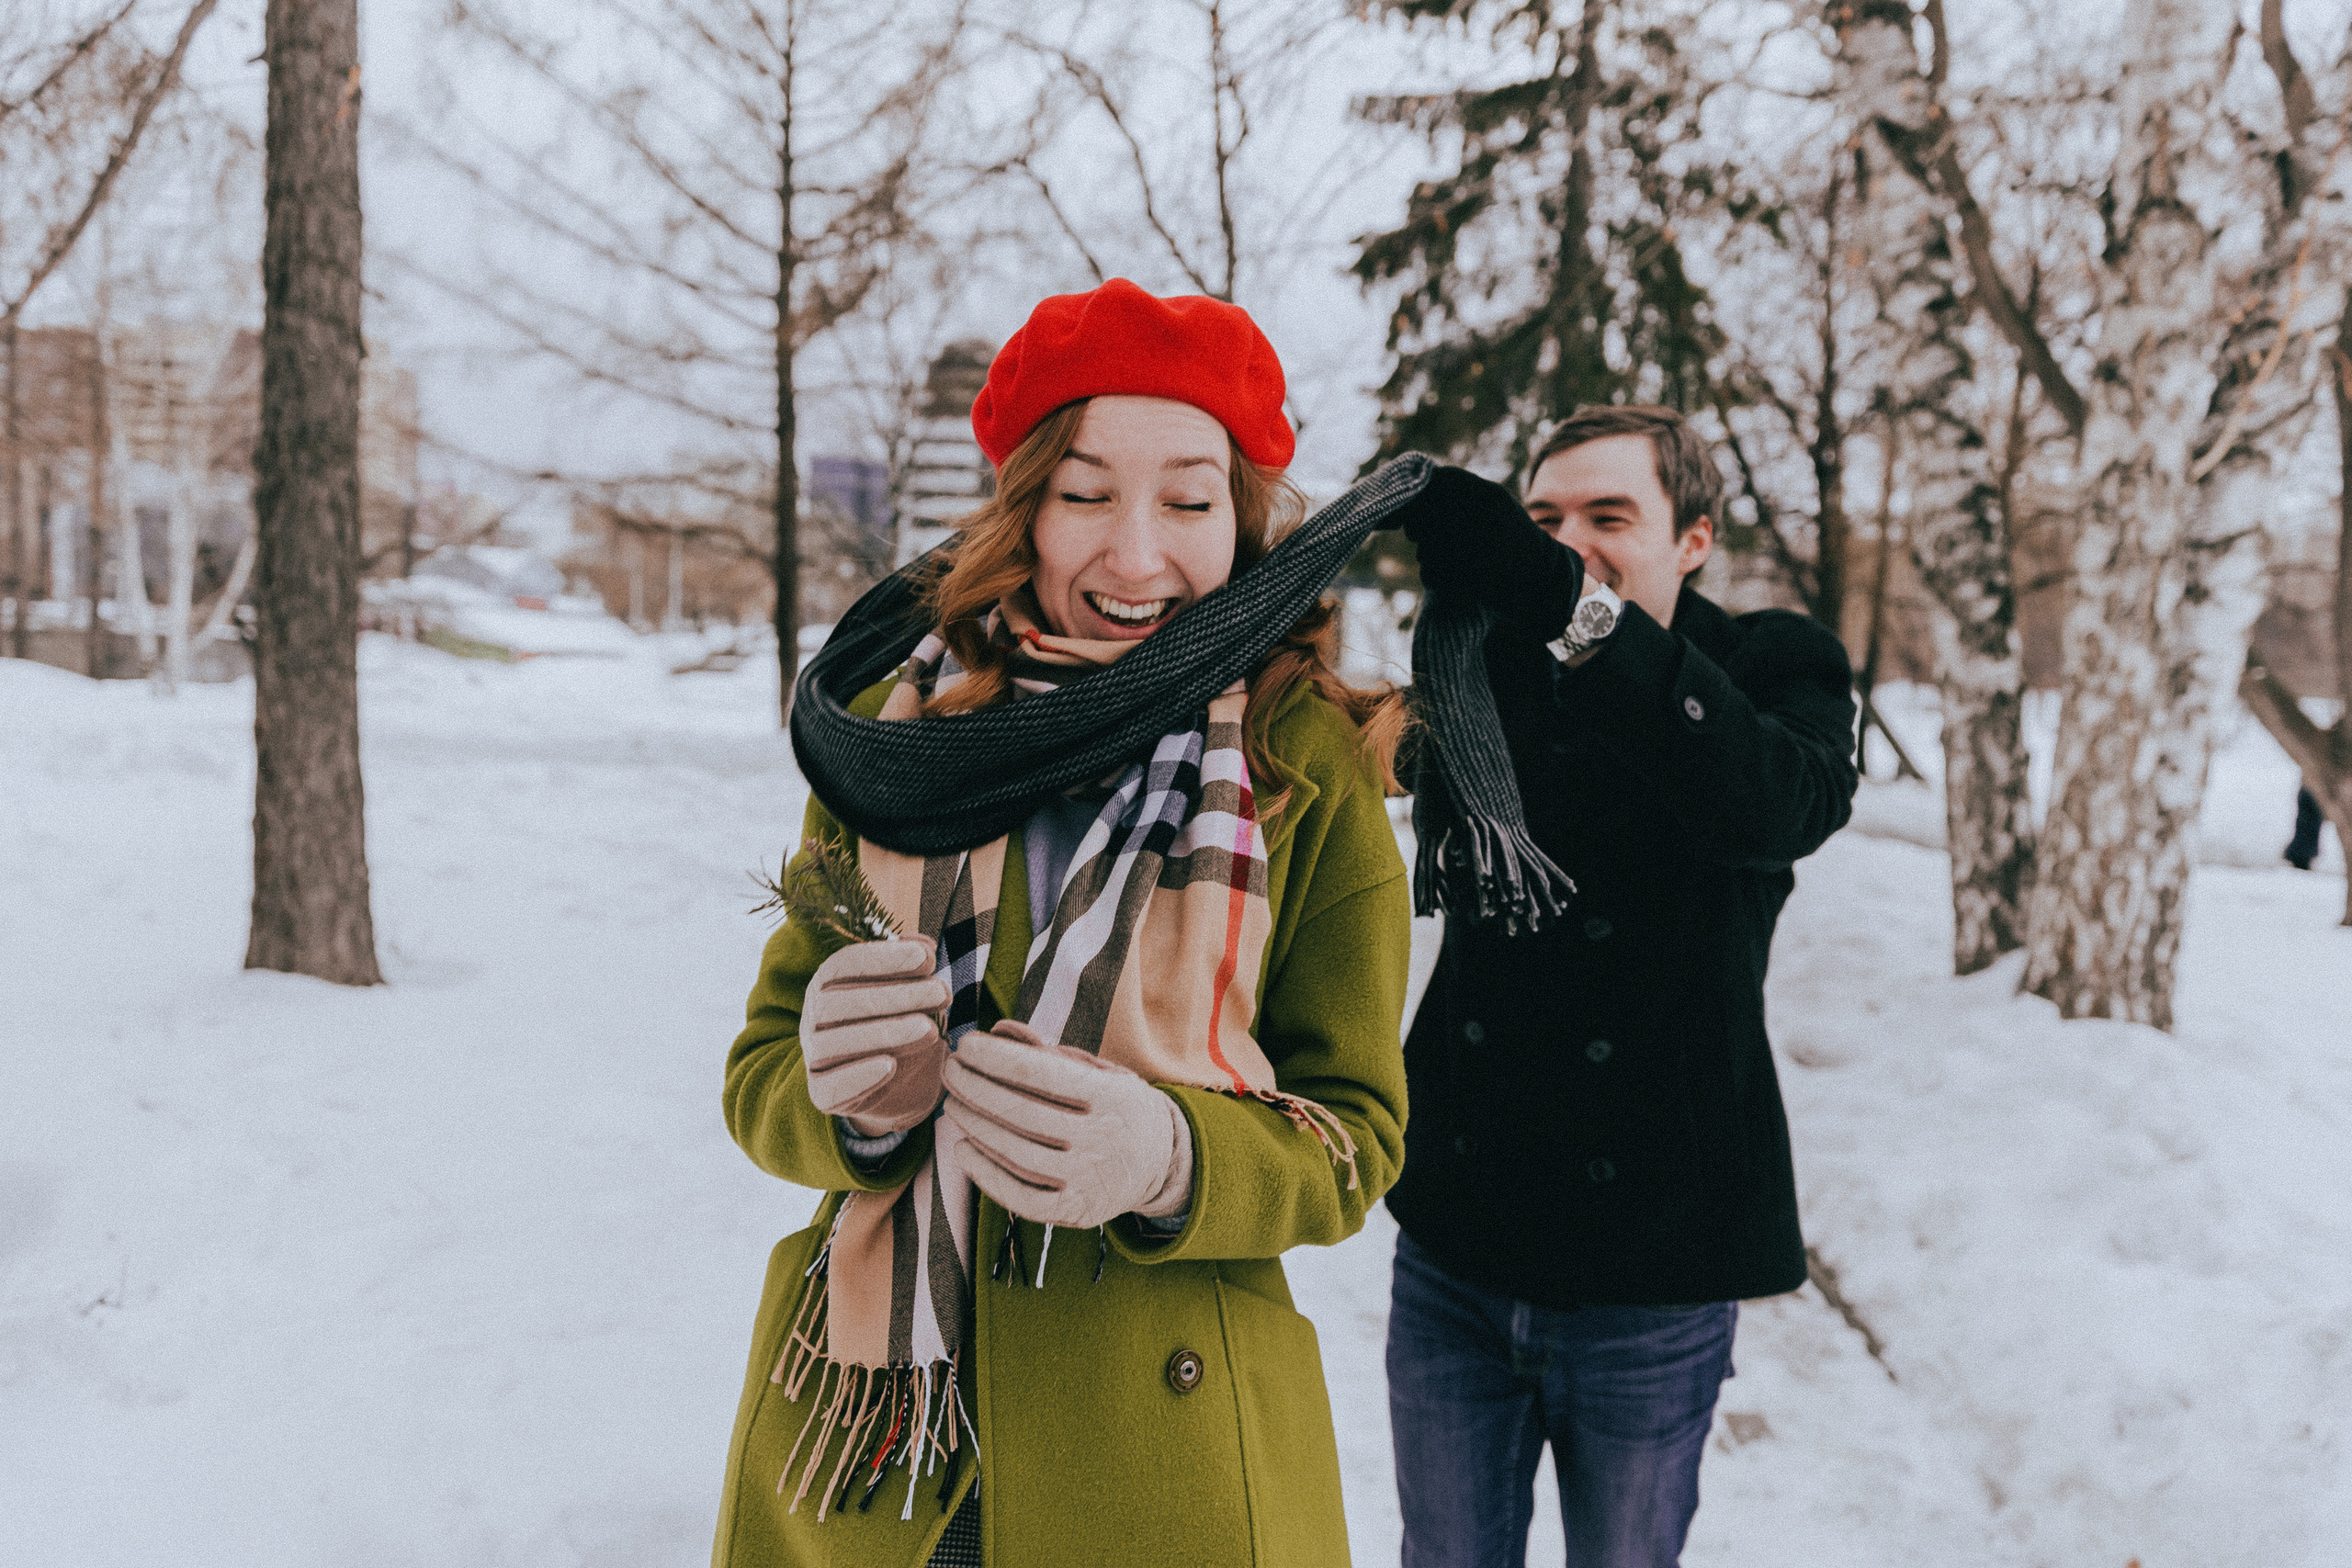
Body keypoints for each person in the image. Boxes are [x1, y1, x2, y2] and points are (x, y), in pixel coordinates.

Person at [710, 279, 1418, 1568]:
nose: (1136, 553)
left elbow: (1357, 1139)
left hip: (1165, 1465)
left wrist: (1173, 1157)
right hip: (869, 1462)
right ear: (1023, 504)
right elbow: (762, 1079)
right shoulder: (895, 736)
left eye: (1189, 500)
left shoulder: (1305, 763)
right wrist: (850, 1098)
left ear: (1247, 521)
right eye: (1085, 493)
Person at [1383, 404, 1860, 1568]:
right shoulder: (1473, 662)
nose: (1565, 542)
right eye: (1540, 520)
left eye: (1608, 516)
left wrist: (1571, 609)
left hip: (1657, 1259)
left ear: (1690, 538)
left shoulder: (1770, 665)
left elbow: (1773, 805)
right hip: (1459, 1238)